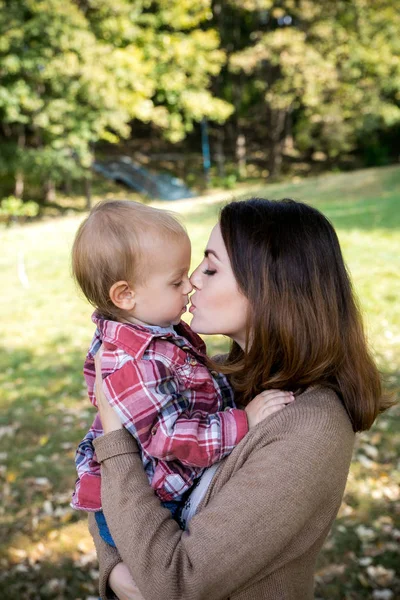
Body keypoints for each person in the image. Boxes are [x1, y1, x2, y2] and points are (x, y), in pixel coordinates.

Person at [88, 197, 388, 600]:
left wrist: (116, 439)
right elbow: (100, 477)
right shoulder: (213, 375)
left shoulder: (309, 430)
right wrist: (115, 567)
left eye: (211, 268)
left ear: (271, 290)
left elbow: (177, 583)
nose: (193, 279)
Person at [70, 200, 293, 547]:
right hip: (152, 502)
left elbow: (195, 381)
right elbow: (169, 437)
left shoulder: (156, 331)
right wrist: (242, 421)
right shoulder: (132, 360)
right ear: (126, 295)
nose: (189, 285)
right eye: (176, 282)